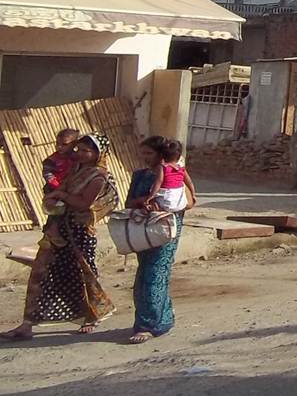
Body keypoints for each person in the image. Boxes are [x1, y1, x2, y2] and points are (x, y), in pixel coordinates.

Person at [4, 133, 117, 340]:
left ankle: (91, 316)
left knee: (83, 276)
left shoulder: (98, 177)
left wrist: (62, 196)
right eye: (79, 150)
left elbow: (83, 203)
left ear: (98, 153)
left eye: (86, 151)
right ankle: (27, 324)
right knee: (40, 273)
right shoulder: (75, 169)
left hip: (79, 233)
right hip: (57, 229)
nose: (81, 154)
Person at [126, 136, 195, 344]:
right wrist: (144, 203)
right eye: (143, 153)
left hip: (166, 230)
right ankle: (161, 319)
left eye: (149, 153)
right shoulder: (140, 176)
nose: (145, 158)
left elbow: (189, 202)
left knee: (155, 274)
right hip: (142, 231)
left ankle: (149, 326)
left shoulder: (173, 173)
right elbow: (129, 201)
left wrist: (164, 205)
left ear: (160, 154)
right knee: (143, 276)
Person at [42, 128, 80, 193]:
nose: (59, 147)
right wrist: (58, 187)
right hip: (56, 189)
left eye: (64, 144)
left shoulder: (78, 158)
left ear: (74, 144)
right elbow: (48, 176)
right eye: (57, 143)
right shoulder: (51, 160)